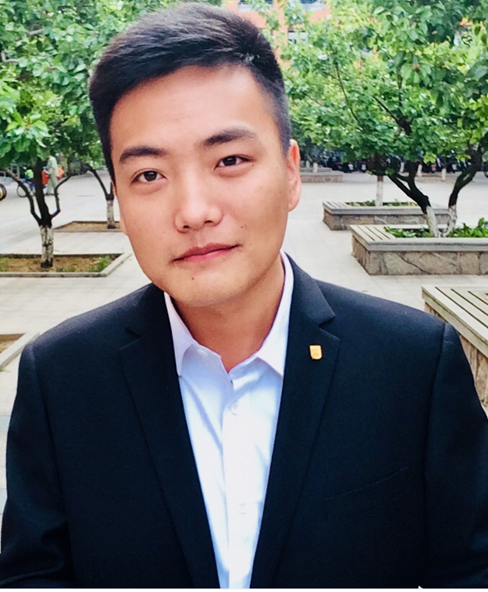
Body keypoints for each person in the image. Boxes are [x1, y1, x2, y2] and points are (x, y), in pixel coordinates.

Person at [1, 4, 488, 588]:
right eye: (149, 175)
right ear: (119, 198)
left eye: (229, 160)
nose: (194, 211)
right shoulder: (62, 377)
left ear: (291, 172)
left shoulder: (412, 363)